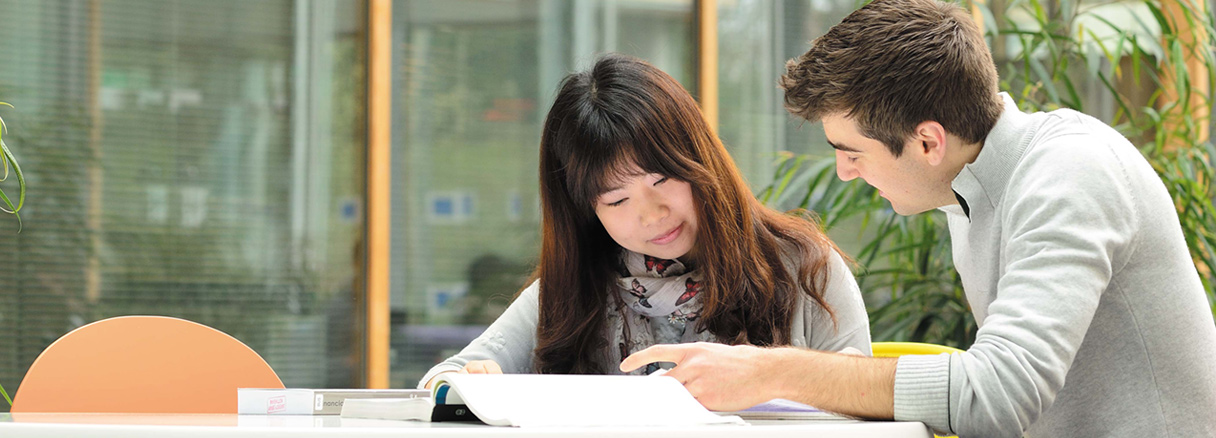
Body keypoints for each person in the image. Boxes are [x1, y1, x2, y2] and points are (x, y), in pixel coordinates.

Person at [620, 1, 1216, 436]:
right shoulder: (974, 184)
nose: (845, 173)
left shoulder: (1068, 173)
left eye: (851, 152)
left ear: (928, 141)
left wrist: (772, 371)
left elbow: (997, 397)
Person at [418, 54, 871, 389]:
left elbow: (865, 398)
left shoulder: (806, 268)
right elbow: (444, 380)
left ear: (700, 161)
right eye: (616, 200)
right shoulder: (572, 286)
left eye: (665, 178)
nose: (651, 214)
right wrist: (471, 383)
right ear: (586, 212)